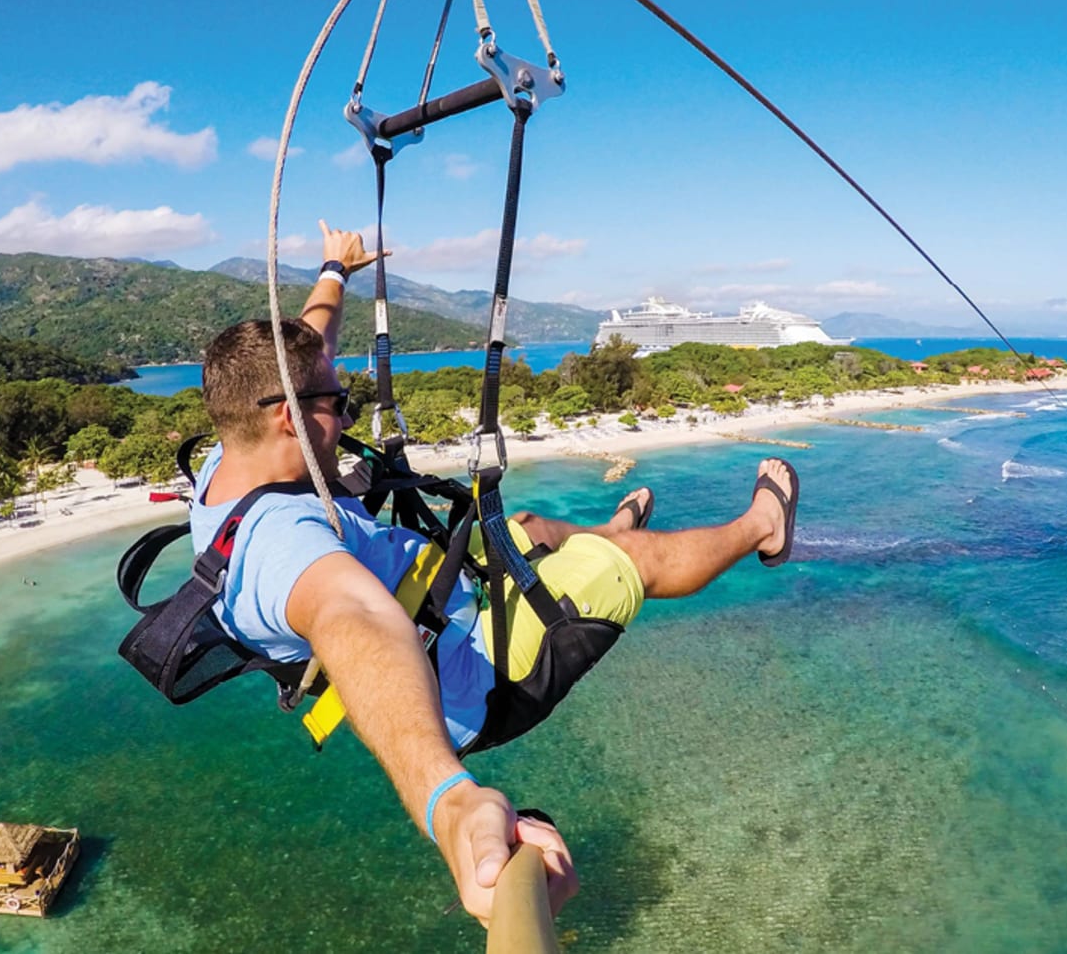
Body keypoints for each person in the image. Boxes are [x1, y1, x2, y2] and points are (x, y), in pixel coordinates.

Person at [191, 222, 800, 927]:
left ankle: (598, 535)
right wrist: (448, 801)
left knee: (532, 528)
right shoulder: (282, 548)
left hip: (439, 601)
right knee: (633, 564)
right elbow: (357, 625)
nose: (348, 413)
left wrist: (336, 268)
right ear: (291, 420)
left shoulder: (233, 458)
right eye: (339, 404)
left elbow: (307, 344)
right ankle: (763, 525)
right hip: (479, 679)